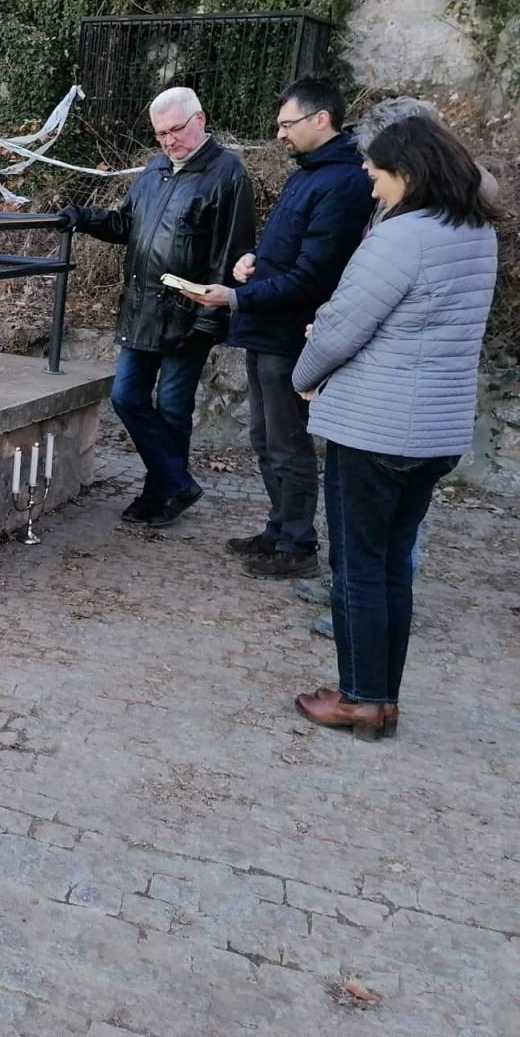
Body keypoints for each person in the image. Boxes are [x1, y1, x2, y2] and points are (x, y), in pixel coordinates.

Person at [291, 115, 498, 739]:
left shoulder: (400, 238)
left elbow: (343, 329)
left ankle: (360, 699)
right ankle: (382, 698)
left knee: (358, 566)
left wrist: (304, 374)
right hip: (436, 430)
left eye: (376, 171)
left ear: (408, 173)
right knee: (391, 567)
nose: (369, 180)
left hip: (377, 429)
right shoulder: (475, 230)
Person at [179, 78, 374, 579]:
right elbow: (289, 252)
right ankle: (278, 529)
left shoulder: (343, 183)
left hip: (291, 336)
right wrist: (253, 261)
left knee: (288, 443)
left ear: (321, 119)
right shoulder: (308, 173)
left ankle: (297, 546)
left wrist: (235, 296)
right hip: (266, 327)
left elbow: (314, 275)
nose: (280, 135)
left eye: (288, 124)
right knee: (266, 438)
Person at [60, 86, 255, 526]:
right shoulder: (155, 169)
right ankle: (176, 484)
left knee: (172, 407)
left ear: (200, 120)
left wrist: (209, 321)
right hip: (143, 307)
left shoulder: (228, 175)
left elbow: (231, 253)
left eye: (175, 130)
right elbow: (126, 224)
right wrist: (84, 217)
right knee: (126, 396)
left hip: (190, 313)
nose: (169, 141)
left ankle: (159, 493)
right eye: (160, 134)